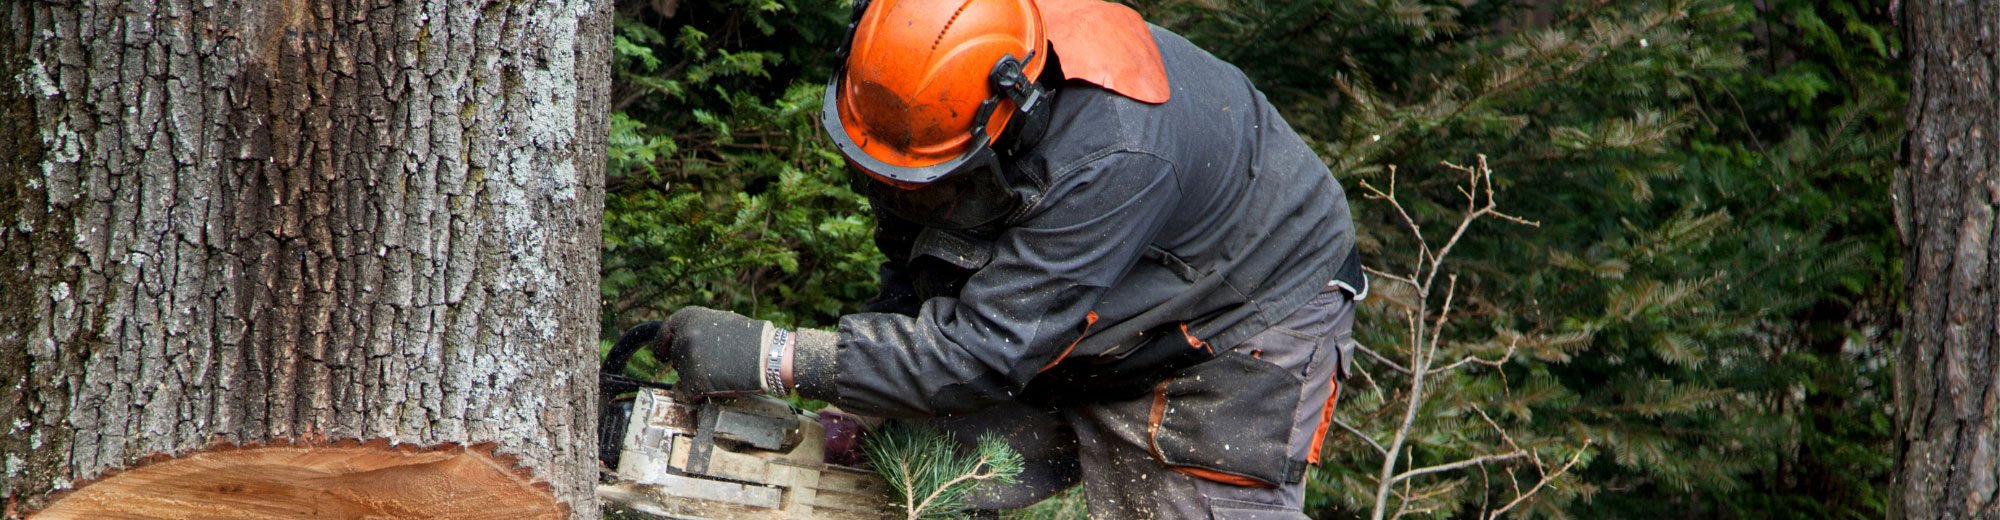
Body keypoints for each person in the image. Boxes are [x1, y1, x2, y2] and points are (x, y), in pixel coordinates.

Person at [642, 0, 1363, 516]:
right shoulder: (918, 71)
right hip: (1075, 296)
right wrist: (857, 388)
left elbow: (984, 351)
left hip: (1236, 322)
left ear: (1012, 115)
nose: (897, 191)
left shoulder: (1112, 151)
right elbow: (921, 257)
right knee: (907, 466)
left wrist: (780, 355)